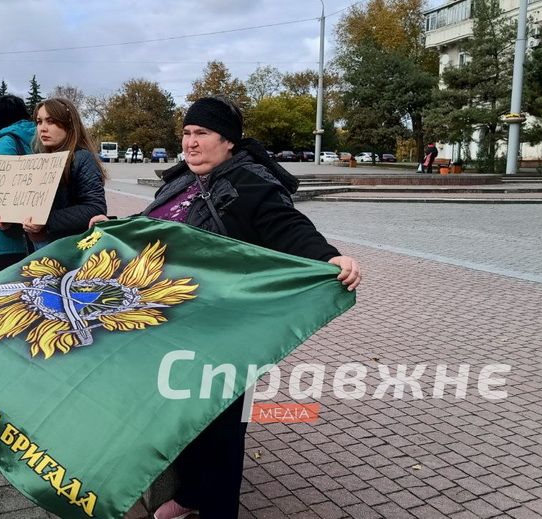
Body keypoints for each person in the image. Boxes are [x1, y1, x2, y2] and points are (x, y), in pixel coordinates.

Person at [90, 96, 360, 519]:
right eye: (186, 133)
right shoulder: (179, 181)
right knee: (182, 419)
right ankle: (191, 495)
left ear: (228, 141)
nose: (190, 143)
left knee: (220, 430)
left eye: (201, 134)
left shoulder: (251, 185)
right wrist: (116, 229)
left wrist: (330, 258)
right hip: (170, 324)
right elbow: (150, 228)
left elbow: (289, 228)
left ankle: (216, 508)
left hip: (222, 334)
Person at [22, 98, 107, 248]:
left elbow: (95, 207)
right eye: (39, 122)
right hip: (41, 245)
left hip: (70, 248)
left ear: (69, 124)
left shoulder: (81, 158)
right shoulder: (38, 160)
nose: (43, 128)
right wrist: (7, 219)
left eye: (51, 121)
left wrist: (46, 220)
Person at [0, 95, 36, 275]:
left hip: (8, 230)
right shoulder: (37, 136)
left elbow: (2, 182)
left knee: (2, 287)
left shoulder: (7, 141)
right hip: (35, 223)